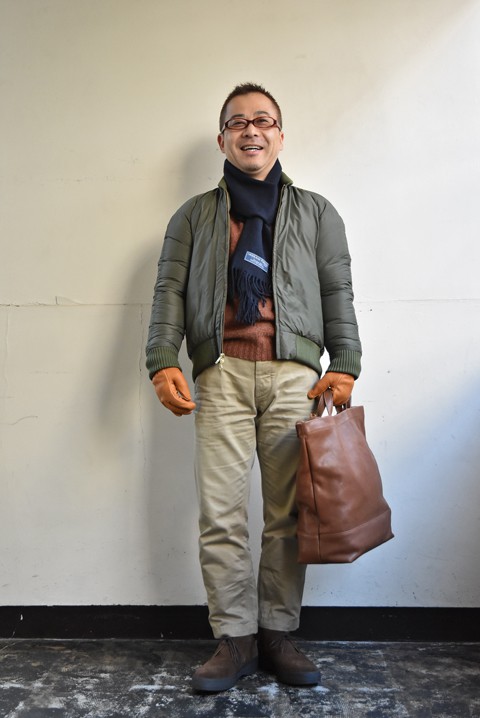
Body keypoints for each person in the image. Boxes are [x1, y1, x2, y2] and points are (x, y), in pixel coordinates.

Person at [146, 83, 362, 692]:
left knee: (288, 516)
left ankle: (277, 633)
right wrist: (162, 359)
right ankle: (235, 638)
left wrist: (345, 361)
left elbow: (336, 290)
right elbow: (169, 290)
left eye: (263, 121)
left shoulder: (317, 212)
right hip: (221, 374)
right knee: (220, 514)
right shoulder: (193, 216)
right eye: (237, 122)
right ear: (222, 139)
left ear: (279, 136)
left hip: (295, 378)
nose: (251, 130)